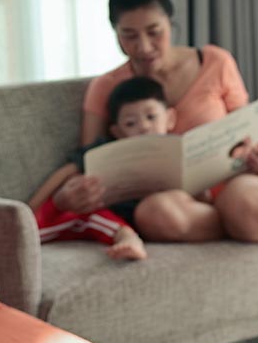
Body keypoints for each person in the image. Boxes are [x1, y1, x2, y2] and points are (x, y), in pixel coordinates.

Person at [50, 0, 258, 243]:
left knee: (252, 211)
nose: (144, 47)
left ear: (171, 24)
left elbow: (248, 134)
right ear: (115, 32)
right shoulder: (106, 87)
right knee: (156, 215)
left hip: (231, 185)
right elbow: (90, 161)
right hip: (168, 201)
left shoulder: (215, 62)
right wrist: (71, 195)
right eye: (129, 36)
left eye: (154, 31)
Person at [29, 76, 180, 260]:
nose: (144, 127)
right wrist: (28, 210)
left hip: (158, 214)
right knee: (87, 210)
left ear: (170, 119)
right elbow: (66, 172)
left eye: (151, 117)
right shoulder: (106, 149)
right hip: (106, 213)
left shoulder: (177, 149)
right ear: (117, 132)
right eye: (131, 123)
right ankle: (128, 238)